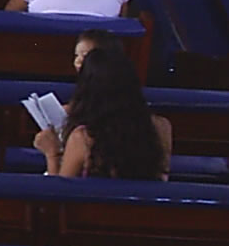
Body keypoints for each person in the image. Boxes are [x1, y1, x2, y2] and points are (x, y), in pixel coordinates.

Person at [35, 41, 172, 179]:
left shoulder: (83, 138)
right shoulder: (161, 127)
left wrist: (52, 154)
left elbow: (60, 190)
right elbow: (161, 178)